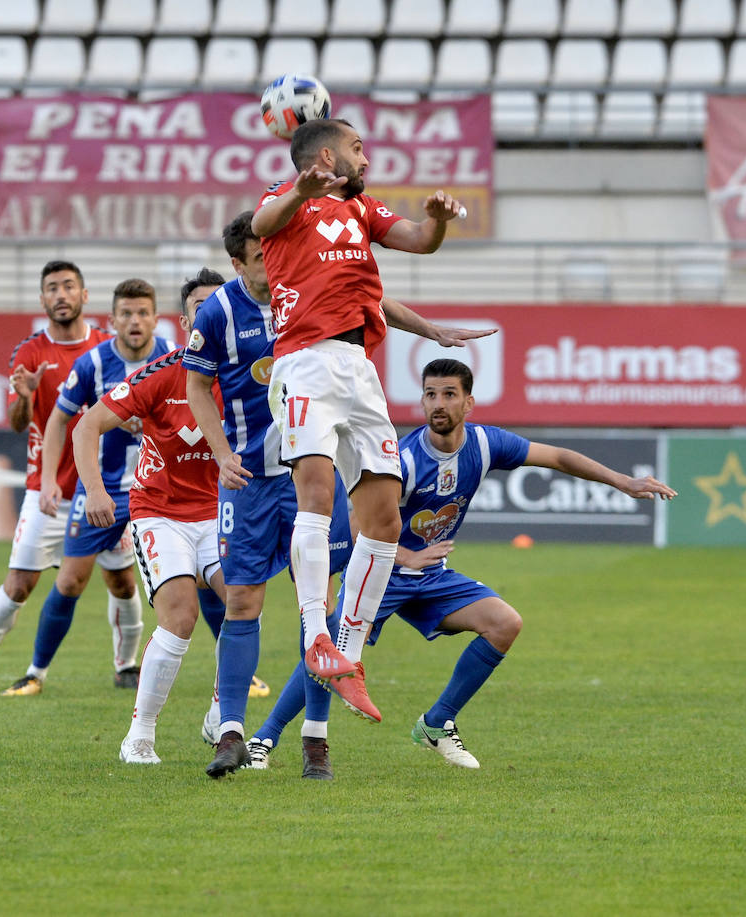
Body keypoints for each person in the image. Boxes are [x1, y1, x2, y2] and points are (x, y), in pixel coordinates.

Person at [245, 358, 677, 771]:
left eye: (449, 394)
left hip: (431, 579)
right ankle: (264, 739)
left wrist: (623, 481)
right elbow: (360, 528)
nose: (438, 403)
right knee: (330, 654)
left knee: (504, 624)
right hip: (381, 575)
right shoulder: (403, 458)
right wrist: (410, 556)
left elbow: (558, 457)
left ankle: (437, 723)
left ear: (468, 403)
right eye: (430, 394)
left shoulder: (487, 444)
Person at [188, 211, 494, 777]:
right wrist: (222, 452)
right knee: (243, 602)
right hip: (252, 477)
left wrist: (434, 332)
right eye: (261, 258)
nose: (274, 263)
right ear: (241, 262)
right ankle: (231, 731)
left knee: (321, 612)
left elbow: (374, 303)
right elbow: (196, 386)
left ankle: (315, 742)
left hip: (313, 471)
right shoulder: (220, 311)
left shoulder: (306, 282)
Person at [249, 117, 467, 733]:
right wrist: (301, 187)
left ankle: (346, 646)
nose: (366, 155)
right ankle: (316, 631)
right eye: (356, 146)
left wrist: (440, 215)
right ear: (324, 155)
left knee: (384, 514)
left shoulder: (364, 209)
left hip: (358, 367)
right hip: (305, 363)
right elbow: (262, 225)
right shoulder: (285, 202)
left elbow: (422, 239)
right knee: (316, 493)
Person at [71, 269, 236, 763]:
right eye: (199, 306)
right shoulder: (160, 373)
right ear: (187, 319)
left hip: (220, 512)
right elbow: (87, 426)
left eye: (218, 304)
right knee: (181, 617)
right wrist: (97, 491)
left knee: (242, 604)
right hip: (159, 512)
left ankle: (219, 713)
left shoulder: (251, 377)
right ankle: (139, 734)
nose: (209, 314)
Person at [1, 278, 173, 696]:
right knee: (71, 580)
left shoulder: (173, 357)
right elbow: (59, 420)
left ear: (155, 318)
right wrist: (51, 481)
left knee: (194, 577)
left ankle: (138, 668)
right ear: (112, 319)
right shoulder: (93, 364)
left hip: (158, 488)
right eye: (127, 314)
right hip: (103, 490)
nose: (135, 321)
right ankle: (36, 672)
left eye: (143, 313)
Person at [0, 261, 109, 692]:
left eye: (68, 286)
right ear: (42, 299)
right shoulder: (30, 352)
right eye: (52, 288)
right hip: (48, 489)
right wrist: (25, 396)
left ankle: (127, 667)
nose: (61, 294)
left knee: (122, 579)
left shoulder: (107, 350)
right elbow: (18, 423)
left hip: (106, 490)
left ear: (84, 295)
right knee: (20, 583)